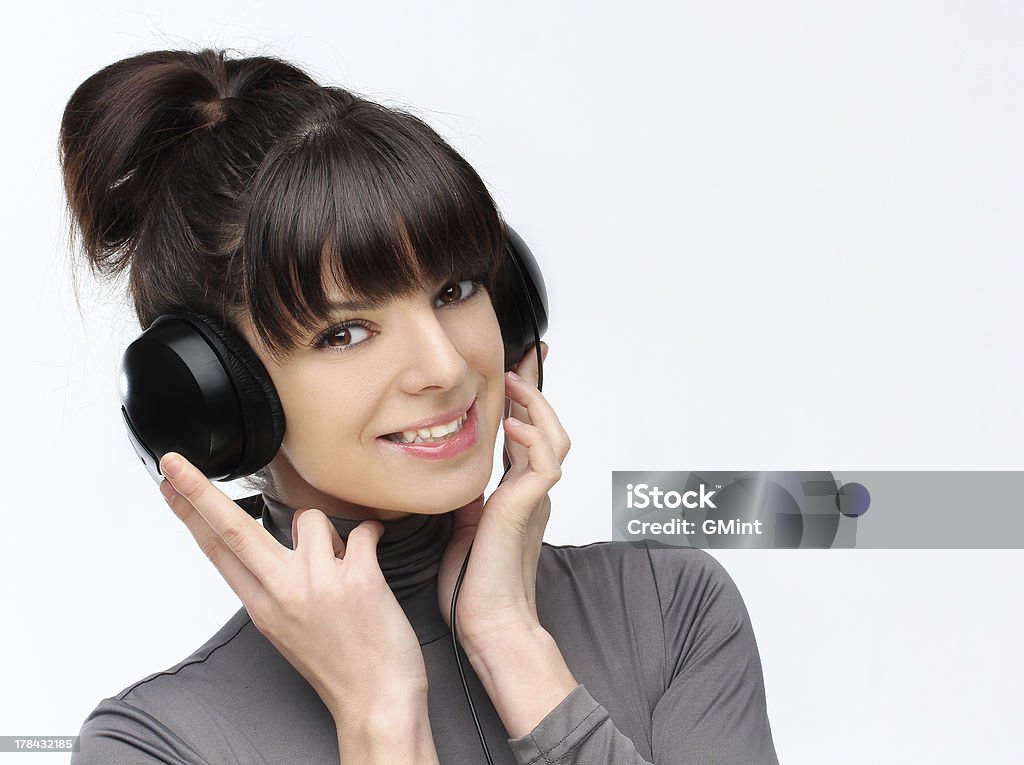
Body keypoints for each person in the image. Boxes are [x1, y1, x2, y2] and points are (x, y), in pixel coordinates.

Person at [60, 47, 780, 764]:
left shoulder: (669, 610)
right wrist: (379, 715)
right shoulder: (159, 745)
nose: (445, 365)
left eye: (456, 289)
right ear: (216, 396)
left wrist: (512, 645)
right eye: (346, 332)